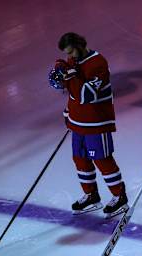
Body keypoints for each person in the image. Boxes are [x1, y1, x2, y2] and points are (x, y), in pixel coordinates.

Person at [53, 32, 128, 218]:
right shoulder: (72, 61)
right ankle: (91, 195)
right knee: (80, 159)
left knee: (103, 160)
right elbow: (69, 89)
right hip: (77, 122)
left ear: (80, 45)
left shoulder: (98, 63)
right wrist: (62, 72)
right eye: (67, 54)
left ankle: (119, 197)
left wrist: (70, 76)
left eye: (71, 52)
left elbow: (86, 95)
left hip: (96, 123)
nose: (69, 57)